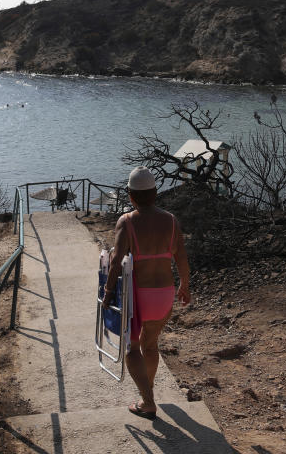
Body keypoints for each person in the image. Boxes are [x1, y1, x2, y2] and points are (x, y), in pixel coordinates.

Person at [103, 167, 190, 421]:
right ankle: (146, 392)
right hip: (164, 294)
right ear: (155, 193)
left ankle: (148, 402)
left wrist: (108, 292)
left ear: (130, 195)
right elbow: (181, 258)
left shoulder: (127, 221)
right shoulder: (171, 221)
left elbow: (117, 260)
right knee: (150, 344)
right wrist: (185, 285)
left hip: (138, 296)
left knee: (131, 349)